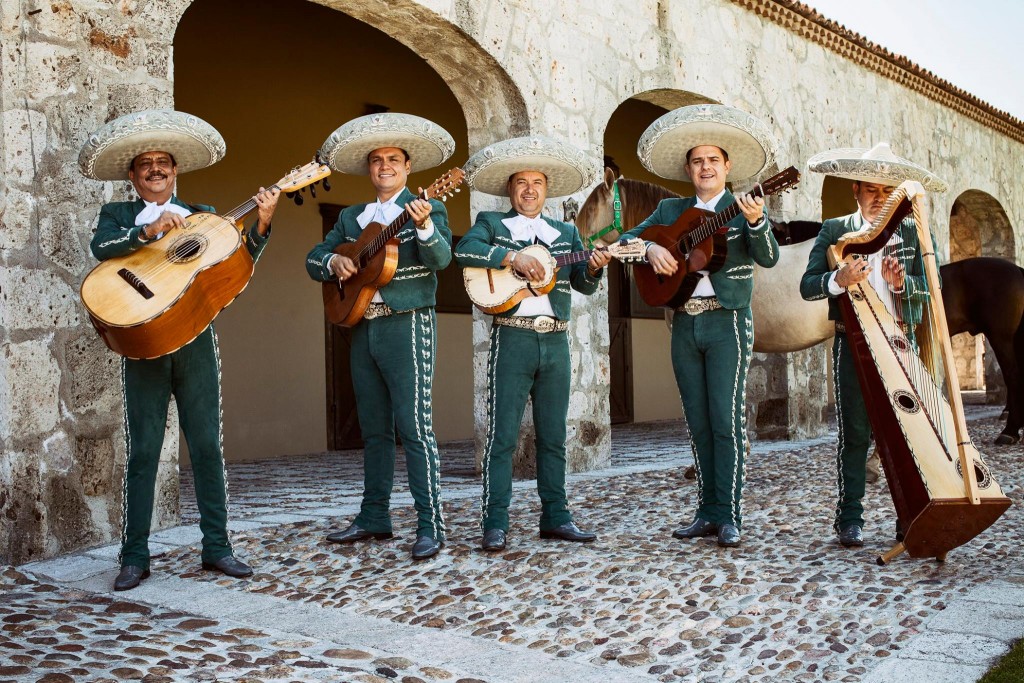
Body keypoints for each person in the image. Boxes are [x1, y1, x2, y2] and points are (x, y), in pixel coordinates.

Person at [79, 109, 279, 590]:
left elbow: (235, 264)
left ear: (175, 172)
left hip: (195, 343)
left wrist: (262, 224)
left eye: (163, 163)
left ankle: (218, 548)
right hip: (144, 345)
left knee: (207, 446)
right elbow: (102, 248)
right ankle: (134, 556)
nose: (155, 169)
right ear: (133, 176)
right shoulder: (118, 215)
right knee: (145, 451)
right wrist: (147, 233)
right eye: (145, 164)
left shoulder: (203, 214)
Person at [622, 104, 781, 548]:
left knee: (725, 420)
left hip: (727, 321)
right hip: (684, 324)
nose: (705, 167)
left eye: (713, 160)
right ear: (688, 169)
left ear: (727, 167)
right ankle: (706, 511)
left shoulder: (742, 207)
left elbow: (769, 257)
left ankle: (729, 514)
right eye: (697, 161)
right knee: (697, 421)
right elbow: (624, 242)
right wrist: (649, 250)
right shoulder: (671, 209)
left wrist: (757, 221)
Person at [305, 113, 455, 561]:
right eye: (376, 160)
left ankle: (430, 524)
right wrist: (333, 262)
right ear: (369, 169)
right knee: (373, 429)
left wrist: (424, 226)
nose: (384, 166)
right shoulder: (352, 217)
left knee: (414, 426)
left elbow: (441, 260)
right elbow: (313, 258)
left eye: (393, 159)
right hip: (362, 325)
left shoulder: (429, 207)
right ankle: (374, 516)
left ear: (408, 167)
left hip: (406, 323)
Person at [454, 135, 610, 551]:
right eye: (521, 182)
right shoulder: (492, 224)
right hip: (513, 336)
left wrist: (595, 267)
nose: (529, 190)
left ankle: (556, 517)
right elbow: (465, 250)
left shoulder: (565, 233)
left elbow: (584, 284)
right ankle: (495, 522)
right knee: (502, 435)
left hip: (555, 340)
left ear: (546, 189)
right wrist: (512, 258)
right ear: (510, 189)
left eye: (537, 183)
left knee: (554, 436)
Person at [800, 142, 945, 548]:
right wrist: (838, 279)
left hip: (901, 342)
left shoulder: (914, 231)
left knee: (906, 435)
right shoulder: (834, 231)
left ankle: (910, 517)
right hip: (853, 343)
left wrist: (903, 284)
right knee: (854, 433)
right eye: (870, 189)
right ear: (856, 190)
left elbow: (934, 289)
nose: (879, 197)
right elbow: (808, 286)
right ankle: (849, 518)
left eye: (887, 190)